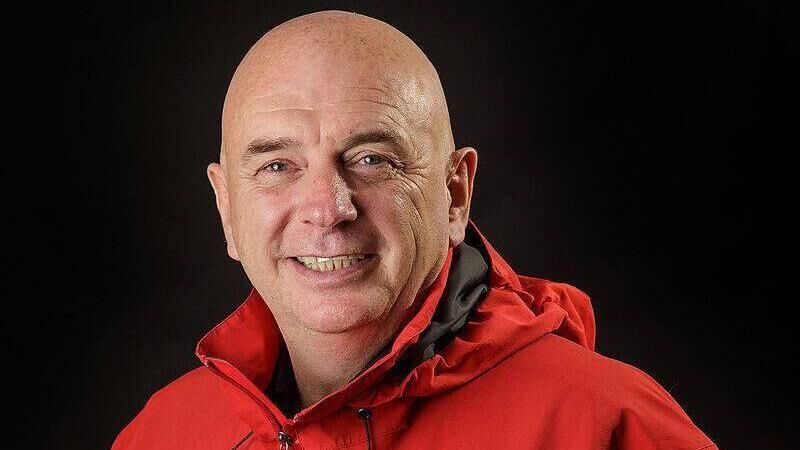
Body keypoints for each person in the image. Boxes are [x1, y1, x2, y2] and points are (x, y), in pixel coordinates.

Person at [112, 10, 717, 450]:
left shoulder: (605, 425)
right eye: (277, 166)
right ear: (226, 210)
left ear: (456, 194)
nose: (328, 209)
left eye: (372, 159)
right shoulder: (161, 435)